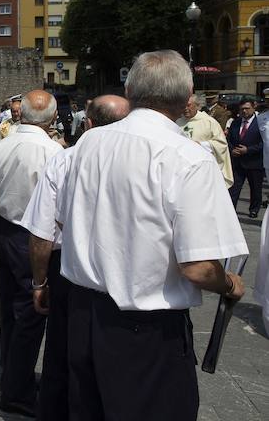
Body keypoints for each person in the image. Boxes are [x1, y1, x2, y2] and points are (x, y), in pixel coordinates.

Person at [58, 50, 248, 420]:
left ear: (130, 89)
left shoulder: (89, 145)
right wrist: (229, 284)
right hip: (145, 329)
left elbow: (66, 220)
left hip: (83, 313)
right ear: (187, 95)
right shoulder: (188, 157)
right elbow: (197, 266)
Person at [23, 95, 130, 421]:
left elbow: (42, 233)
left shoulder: (64, 160)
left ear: (88, 123)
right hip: (126, 278)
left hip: (74, 274)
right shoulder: (152, 159)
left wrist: (39, 282)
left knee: (62, 356)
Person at [0, 90, 63, 417]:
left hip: (5, 230)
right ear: (53, 119)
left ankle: (11, 370)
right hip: (34, 236)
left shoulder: (3, 144)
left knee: (10, 307)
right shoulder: (54, 152)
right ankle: (17, 391)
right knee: (32, 312)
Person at [178, 93, 233, 188]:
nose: (185, 108)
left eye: (188, 105)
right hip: (181, 168)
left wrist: (201, 145)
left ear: (197, 106)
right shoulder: (177, 122)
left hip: (202, 167)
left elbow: (221, 144)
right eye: (183, 106)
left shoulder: (209, 122)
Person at [227, 97, 263, 218]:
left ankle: (254, 209)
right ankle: (231, 209)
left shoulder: (261, 122)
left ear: (254, 107)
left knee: (255, 188)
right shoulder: (235, 122)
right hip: (238, 162)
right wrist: (232, 150)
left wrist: (248, 150)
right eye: (242, 109)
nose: (244, 111)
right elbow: (229, 139)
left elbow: (264, 143)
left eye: (247, 109)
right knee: (234, 188)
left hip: (254, 162)